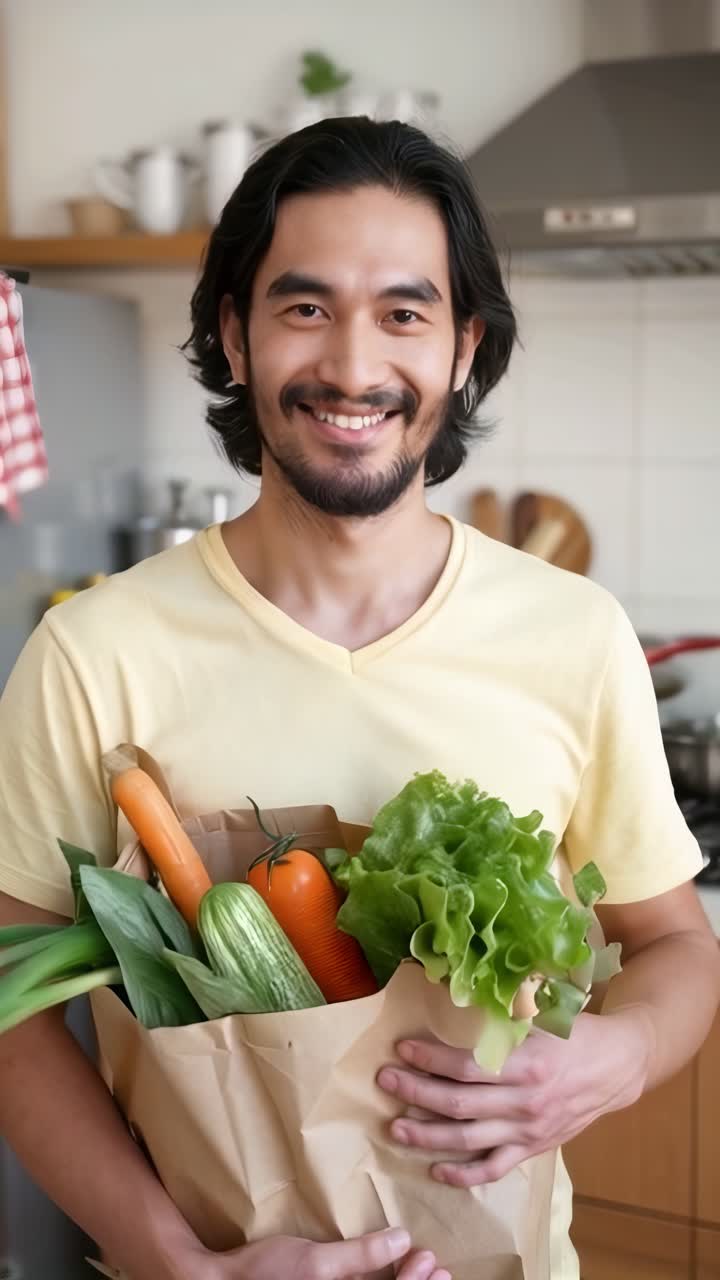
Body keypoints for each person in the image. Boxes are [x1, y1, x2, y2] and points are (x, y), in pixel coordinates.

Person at [0, 116, 718, 1280]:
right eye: (303, 306)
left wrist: (617, 1054)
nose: (350, 364)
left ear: (461, 346)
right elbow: (10, 1010)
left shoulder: (575, 634)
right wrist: (178, 1261)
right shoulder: (93, 653)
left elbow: (678, 944)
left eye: (403, 311)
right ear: (234, 335)